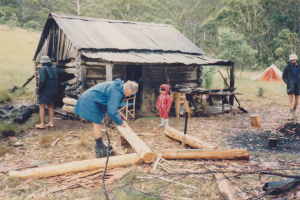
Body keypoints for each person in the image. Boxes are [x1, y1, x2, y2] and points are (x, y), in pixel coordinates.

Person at [74, 78, 138, 158]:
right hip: (89, 101)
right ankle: (100, 150)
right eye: (131, 93)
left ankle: (101, 146)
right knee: (97, 125)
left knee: (98, 124)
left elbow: (108, 104)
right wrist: (121, 123)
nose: (129, 96)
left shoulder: (118, 87)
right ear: (127, 88)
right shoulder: (116, 91)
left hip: (92, 101)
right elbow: (112, 112)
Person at [35, 56, 59, 129]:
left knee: (42, 106)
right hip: (54, 90)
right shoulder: (54, 68)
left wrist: (39, 90)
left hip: (45, 91)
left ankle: (42, 124)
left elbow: (42, 81)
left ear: (42, 62)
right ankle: (51, 123)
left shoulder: (42, 68)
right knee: (50, 106)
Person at [282, 54, 300, 120]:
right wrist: (288, 82)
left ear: (296, 59)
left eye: (294, 60)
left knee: (297, 101)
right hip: (290, 86)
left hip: (298, 86)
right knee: (290, 100)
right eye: (292, 60)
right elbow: (284, 76)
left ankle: (294, 112)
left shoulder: (299, 66)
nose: (293, 61)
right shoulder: (287, 67)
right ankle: (291, 114)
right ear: (290, 60)